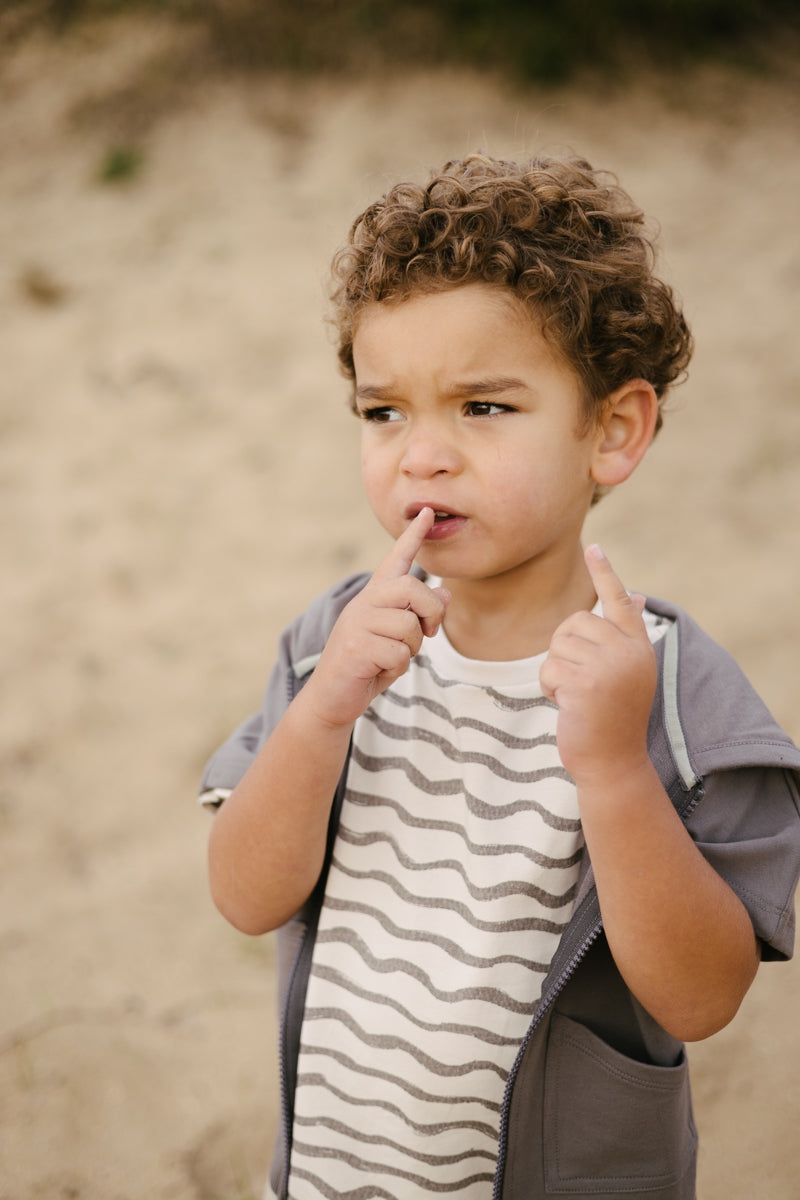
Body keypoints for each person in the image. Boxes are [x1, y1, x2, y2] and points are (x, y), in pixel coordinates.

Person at [199, 154, 800, 1200]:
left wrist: (611, 771)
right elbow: (246, 898)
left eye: (482, 408)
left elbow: (703, 997)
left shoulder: (671, 692)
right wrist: (318, 716)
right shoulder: (327, 645)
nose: (420, 456)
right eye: (383, 412)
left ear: (610, 432)